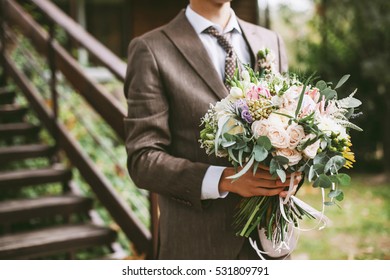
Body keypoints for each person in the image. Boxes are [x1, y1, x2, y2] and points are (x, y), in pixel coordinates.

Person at [124, 0, 301, 259]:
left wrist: (294, 170)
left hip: (270, 246)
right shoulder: (151, 49)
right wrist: (225, 179)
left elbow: (290, 124)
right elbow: (144, 160)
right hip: (197, 247)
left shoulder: (269, 40)